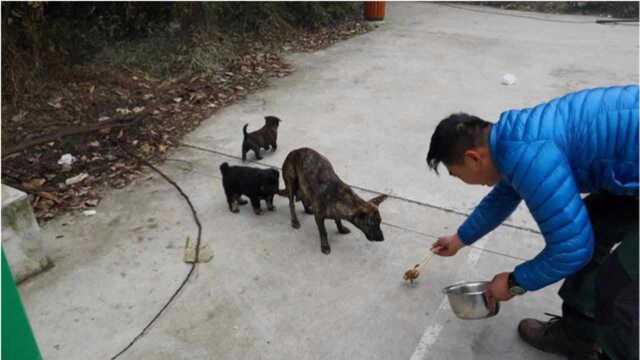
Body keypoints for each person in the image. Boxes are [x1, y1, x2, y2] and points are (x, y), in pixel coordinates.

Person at [426, 85, 638, 360]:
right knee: (593, 223)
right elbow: (503, 197)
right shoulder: (511, 140)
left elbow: (570, 249)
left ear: (473, 158)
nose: (463, 180)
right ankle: (577, 335)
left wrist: (515, 282)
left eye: (456, 174)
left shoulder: (529, 156)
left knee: (618, 283)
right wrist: (459, 239)